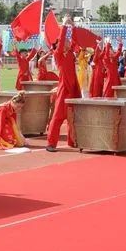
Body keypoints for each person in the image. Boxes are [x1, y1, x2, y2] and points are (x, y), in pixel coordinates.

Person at [46, 17, 81, 152]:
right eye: (65, 40)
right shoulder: (58, 54)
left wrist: (73, 27)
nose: (68, 41)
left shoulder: (71, 52)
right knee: (58, 116)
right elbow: (61, 42)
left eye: (67, 40)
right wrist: (64, 26)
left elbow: (75, 41)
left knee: (73, 116)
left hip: (73, 88)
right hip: (64, 88)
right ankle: (51, 143)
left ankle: (72, 141)